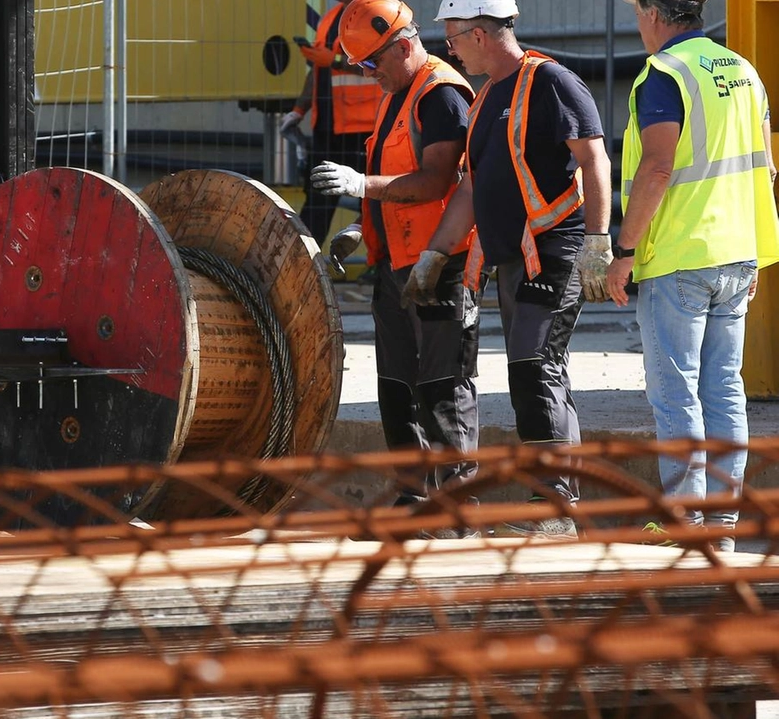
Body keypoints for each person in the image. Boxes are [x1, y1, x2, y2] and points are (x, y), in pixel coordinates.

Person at [402, 0, 613, 539]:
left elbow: (594, 159)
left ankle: (557, 506)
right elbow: (472, 187)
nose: (448, 48)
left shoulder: (552, 83)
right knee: (533, 368)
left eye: (452, 37)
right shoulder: (490, 95)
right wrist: (436, 254)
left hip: (555, 251)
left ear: (480, 33)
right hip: (513, 258)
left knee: (533, 363)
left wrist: (597, 241)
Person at [605, 0, 779, 553]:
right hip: (737, 254)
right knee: (725, 390)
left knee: (676, 394)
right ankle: (721, 529)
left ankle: (687, 525)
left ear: (655, 14)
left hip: (680, 256)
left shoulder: (664, 74)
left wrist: (624, 249)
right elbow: (767, 168)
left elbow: (656, 167)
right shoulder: (742, 71)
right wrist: (749, 247)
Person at [309, 0, 479, 537]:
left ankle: (456, 509)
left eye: (371, 63)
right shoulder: (397, 95)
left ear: (403, 45)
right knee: (397, 388)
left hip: (440, 265)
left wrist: (362, 187)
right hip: (396, 266)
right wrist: (363, 227)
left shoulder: (441, 94)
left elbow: (436, 181)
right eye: (361, 65)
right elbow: (396, 176)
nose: (368, 73)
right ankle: (414, 498)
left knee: (443, 390)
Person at [280, 0, 381, 250]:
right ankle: (301, 265)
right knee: (316, 203)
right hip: (329, 129)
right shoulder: (331, 17)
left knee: (373, 205)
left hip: (365, 129)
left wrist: (334, 60)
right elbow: (318, 67)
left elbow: (379, 62)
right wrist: (298, 110)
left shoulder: (376, 11)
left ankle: (381, 265)